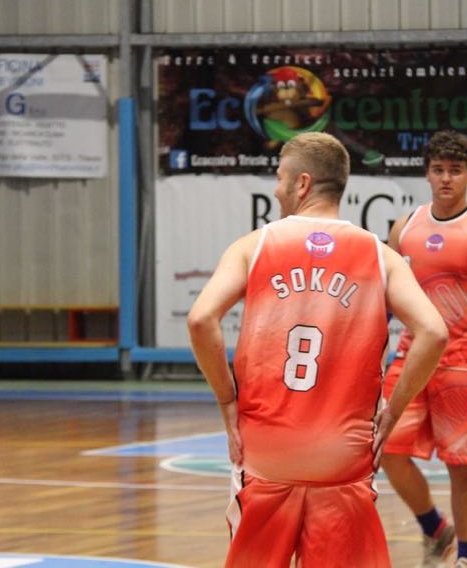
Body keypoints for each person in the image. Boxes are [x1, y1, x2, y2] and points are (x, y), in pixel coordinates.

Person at [187, 131, 449, 568]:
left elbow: (200, 319)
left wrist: (227, 400)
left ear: (302, 183)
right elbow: (434, 332)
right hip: (342, 453)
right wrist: (392, 413)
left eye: (279, 177)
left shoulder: (255, 245)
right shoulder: (378, 255)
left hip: (267, 449)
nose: (276, 189)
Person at [380, 130, 467, 568]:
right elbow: (386, 298)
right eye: (438, 170)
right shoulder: (405, 228)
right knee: (385, 448)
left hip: (462, 363)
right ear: (427, 174)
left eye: (455, 170)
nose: (446, 178)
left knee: (461, 466)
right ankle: (436, 529)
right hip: (410, 357)